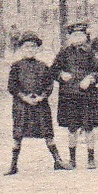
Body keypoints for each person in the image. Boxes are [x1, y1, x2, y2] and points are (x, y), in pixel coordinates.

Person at [6, 32, 68, 173]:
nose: (30, 49)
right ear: (21, 49)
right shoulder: (16, 66)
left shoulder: (43, 66)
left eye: (33, 47)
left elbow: (49, 85)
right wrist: (24, 97)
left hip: (40, 105)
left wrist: (42, 96)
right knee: (18, 134)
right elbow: (12, 86)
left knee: (48, 132)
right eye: (26, 47)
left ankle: (57, 160)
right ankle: (13, 165)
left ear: (37, 49)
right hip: (22, 105)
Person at [53, 22, 98, 169]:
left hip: (88, 95)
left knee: (89, 127)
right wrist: (61, 75)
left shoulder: (91, 52)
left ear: (85, 36)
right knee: (72, 128)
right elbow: (53, 70)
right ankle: (72, 159)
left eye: (80, 35)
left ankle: (91, 158)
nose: (77, 38)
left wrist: (91, 78)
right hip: (69, 96)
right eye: (74, 35)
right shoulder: (64, 52)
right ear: (69, 37)